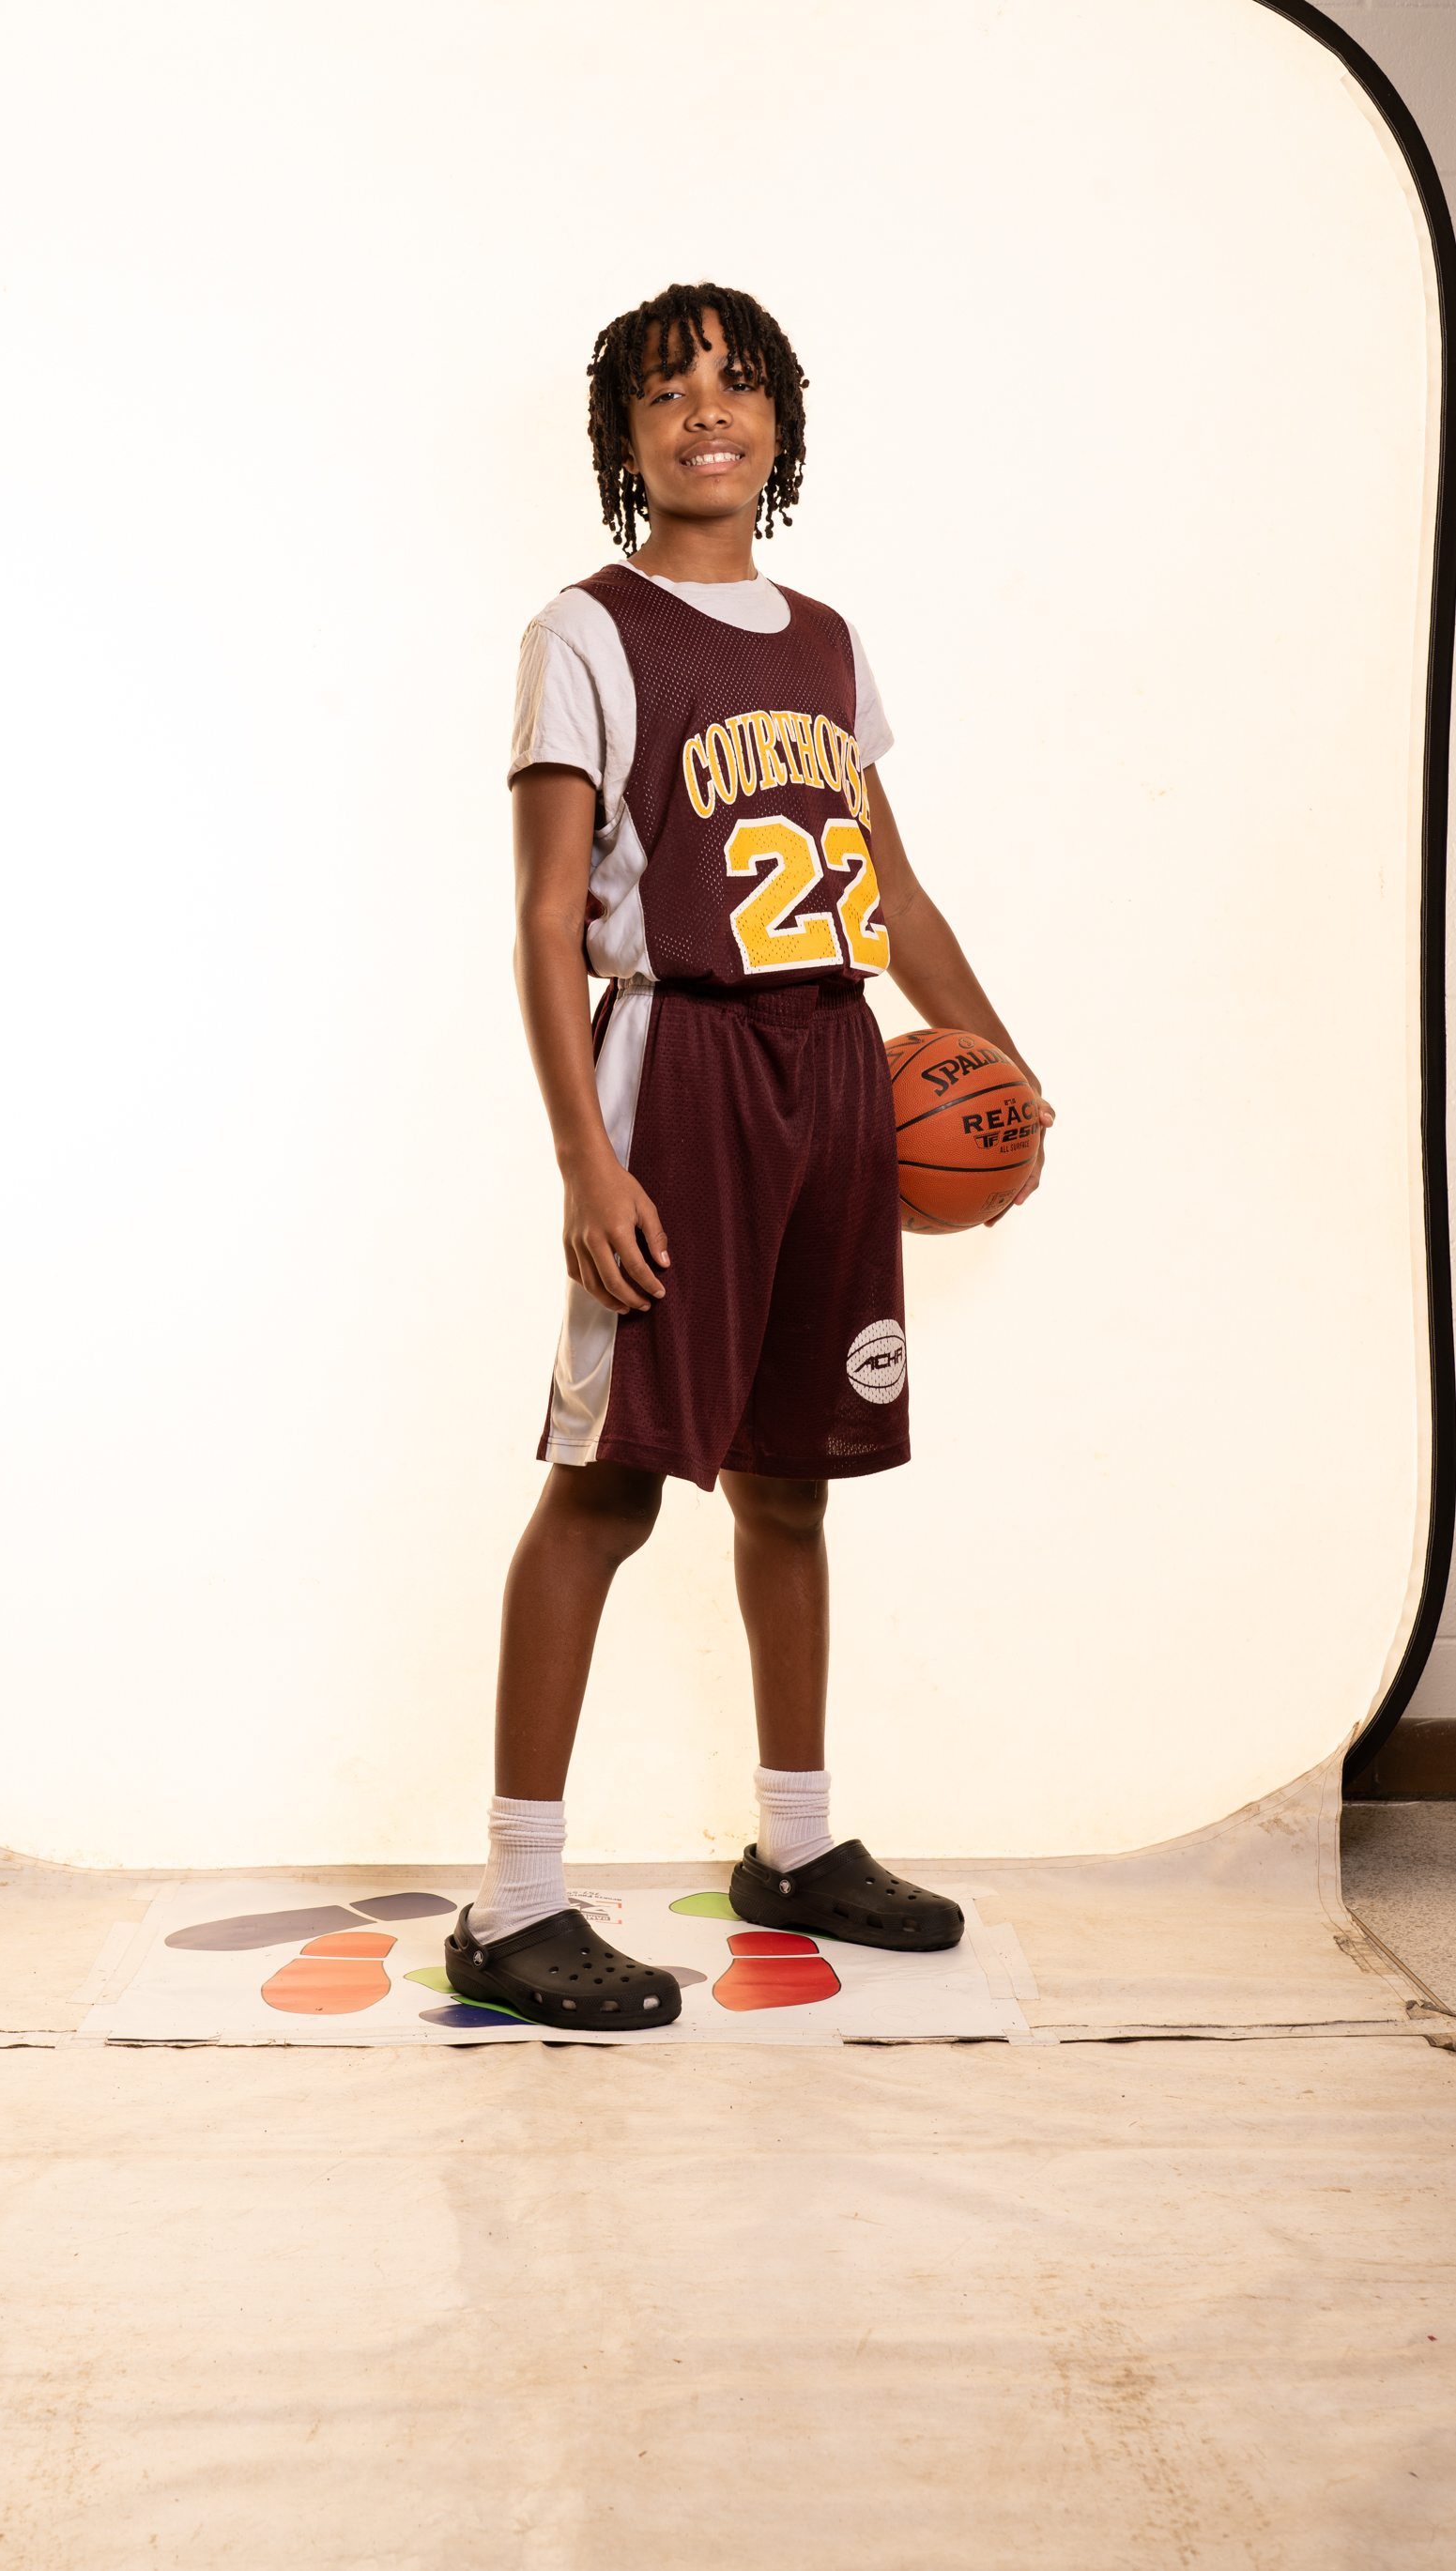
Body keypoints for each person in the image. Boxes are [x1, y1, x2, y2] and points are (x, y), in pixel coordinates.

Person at [445, 284, 1053, 2030]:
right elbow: (544, 920)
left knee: (792, 1477)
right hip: (681, 1067)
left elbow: (892, 888)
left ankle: (795, 1843)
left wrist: (1000, 1063)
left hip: (836, 1066)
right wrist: (586, 1161)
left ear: (780, 421)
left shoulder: (830, 643)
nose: (703, 409)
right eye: (665, 390)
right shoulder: (585, 631)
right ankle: (514, 1901)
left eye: (735, 382)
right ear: (621, 437)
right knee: (608, 1480)